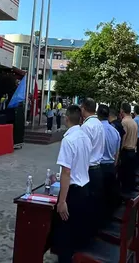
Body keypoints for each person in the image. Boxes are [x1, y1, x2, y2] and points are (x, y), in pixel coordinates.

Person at [53, 105, 92, 263]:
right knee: (76, 233)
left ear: (67, 118)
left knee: (65, 237)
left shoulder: (69, 140)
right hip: (85, 189)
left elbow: (66, 172)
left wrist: (62, 201)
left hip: (73, 193)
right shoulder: (85, 137)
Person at [80, 98, 104, 233]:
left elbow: (82, 151)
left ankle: (85, 234)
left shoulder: (86, 127)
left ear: (84, 108)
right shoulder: (99, 124)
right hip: (97, 168)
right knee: (94, 203)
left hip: (88, 169)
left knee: (86, 204)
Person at [98, 103, 121, 219]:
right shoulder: (115, 131)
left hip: (99, 168)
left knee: (98, 198)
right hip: (111, 167)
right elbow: (117, 154)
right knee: (108, 196)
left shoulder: (96, 130)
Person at [119, 102, 138, 193]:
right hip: (133, 151)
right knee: (131, 176)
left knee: (125, 177)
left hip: (126, 151)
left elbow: (123, 138)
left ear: (122, 110)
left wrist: (119, 153)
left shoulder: (124, 122)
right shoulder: (134, 122)